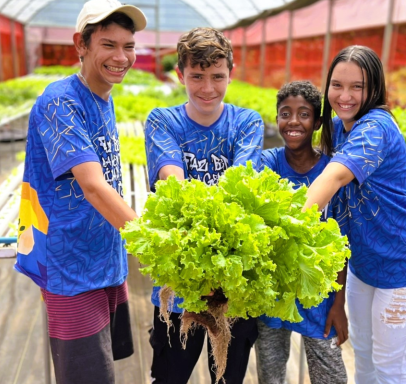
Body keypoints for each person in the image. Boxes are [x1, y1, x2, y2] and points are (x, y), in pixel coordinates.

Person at [14, 1, 147, 382]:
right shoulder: (60, 100)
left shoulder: (103, 95)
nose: (121, 57)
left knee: (102, 366)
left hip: (104, 259)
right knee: (87, 375)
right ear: (81, 44)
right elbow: (91, 184)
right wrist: (152, 243)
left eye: (129, 46)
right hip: (69, 267)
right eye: (108, 44)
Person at [302, 45, 406, 384]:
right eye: (337, 85)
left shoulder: (377, 127)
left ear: (375, 90)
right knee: (364, 357)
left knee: (389, 368)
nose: (345, 95)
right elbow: (337, 214)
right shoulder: (338, 129)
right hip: (366, 267)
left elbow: (335, 177)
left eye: (358, 87)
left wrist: (291, 223)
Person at [144, 27, 265, 384]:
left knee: (229, 376)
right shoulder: (162, 121)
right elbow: (173, 182)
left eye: (217, 76)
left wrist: (219, 268)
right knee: (170, 375)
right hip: (179, 283)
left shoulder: (247, 122)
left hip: (234, 285)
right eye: (196, 76)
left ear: (231, 72)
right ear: (179, 74)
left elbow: (243, 187)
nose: (208, 88)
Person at [255, 81, 348, 384]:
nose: (293, 121)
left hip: (319, 297)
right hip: (272, 293)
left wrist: (338, 303)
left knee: (331, 375)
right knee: (271, 374)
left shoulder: (334, 170)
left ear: (318, 122)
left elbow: (341, 244)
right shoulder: (267, 164)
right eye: (285, 113)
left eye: (304, 114)